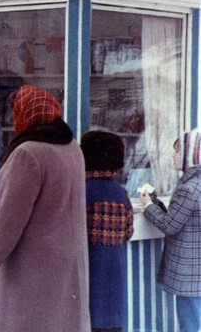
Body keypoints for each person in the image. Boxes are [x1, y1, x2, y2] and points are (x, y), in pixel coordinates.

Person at [0, 84, 90, 332]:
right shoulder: (72, 147)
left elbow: (10, 218)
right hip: (65, 261)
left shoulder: (28, 153)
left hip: (30, 265)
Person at [140, 129, 201, 332]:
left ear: (190, 154)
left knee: (190, 324)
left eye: (178, 151)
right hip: (196, 269)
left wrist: (148, 206)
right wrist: (157, 204)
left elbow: (170, 225)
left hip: (189, 272)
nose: (173, 155)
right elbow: (182, 218)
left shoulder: (189, 188)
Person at [81, 131, 134, 332]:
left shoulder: (81, 191)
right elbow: (128, 231)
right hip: (114, 276)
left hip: (88, 272)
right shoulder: (121, 193)